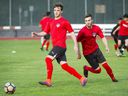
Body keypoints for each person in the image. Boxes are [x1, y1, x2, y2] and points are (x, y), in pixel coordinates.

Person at [32, 3, 87, 87]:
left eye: (58, 10)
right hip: (57, 47)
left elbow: (72, 33)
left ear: (61, 11)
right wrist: (36, 34)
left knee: (48, 59)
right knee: (64, 66)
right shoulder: (50, 22)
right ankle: (82, 79)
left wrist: (75, 45)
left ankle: (48, 80)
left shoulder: (65, 22)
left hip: (60, 46)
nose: (56, 12)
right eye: (55, 10)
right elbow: (44, 32)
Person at [77, 14, 118, 82]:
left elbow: (103, 37)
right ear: (85, 22)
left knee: (106, 65)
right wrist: (78, 53)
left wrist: (106, 46)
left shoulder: (96, 28)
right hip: (87, 54)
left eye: (89, 20)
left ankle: (113, 79)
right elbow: (76, 41)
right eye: (86, 21)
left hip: (96, 50)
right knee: (98, 70)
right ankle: (86, 68)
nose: (88, 22)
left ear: (92, 20)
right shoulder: (82, 31)